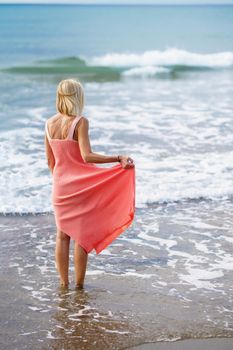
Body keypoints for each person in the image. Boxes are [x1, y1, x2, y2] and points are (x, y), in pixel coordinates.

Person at [44, 78, 135, 289]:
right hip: (80, 187)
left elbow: (50, 161)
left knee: (62, 236)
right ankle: (79, 287)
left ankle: (63, 284)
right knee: (81, 237)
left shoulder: (48, 124)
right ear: (77, 97)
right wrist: (118, 157)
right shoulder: (80, 122)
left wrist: (60, 180)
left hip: (60, 187)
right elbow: (87, 156)